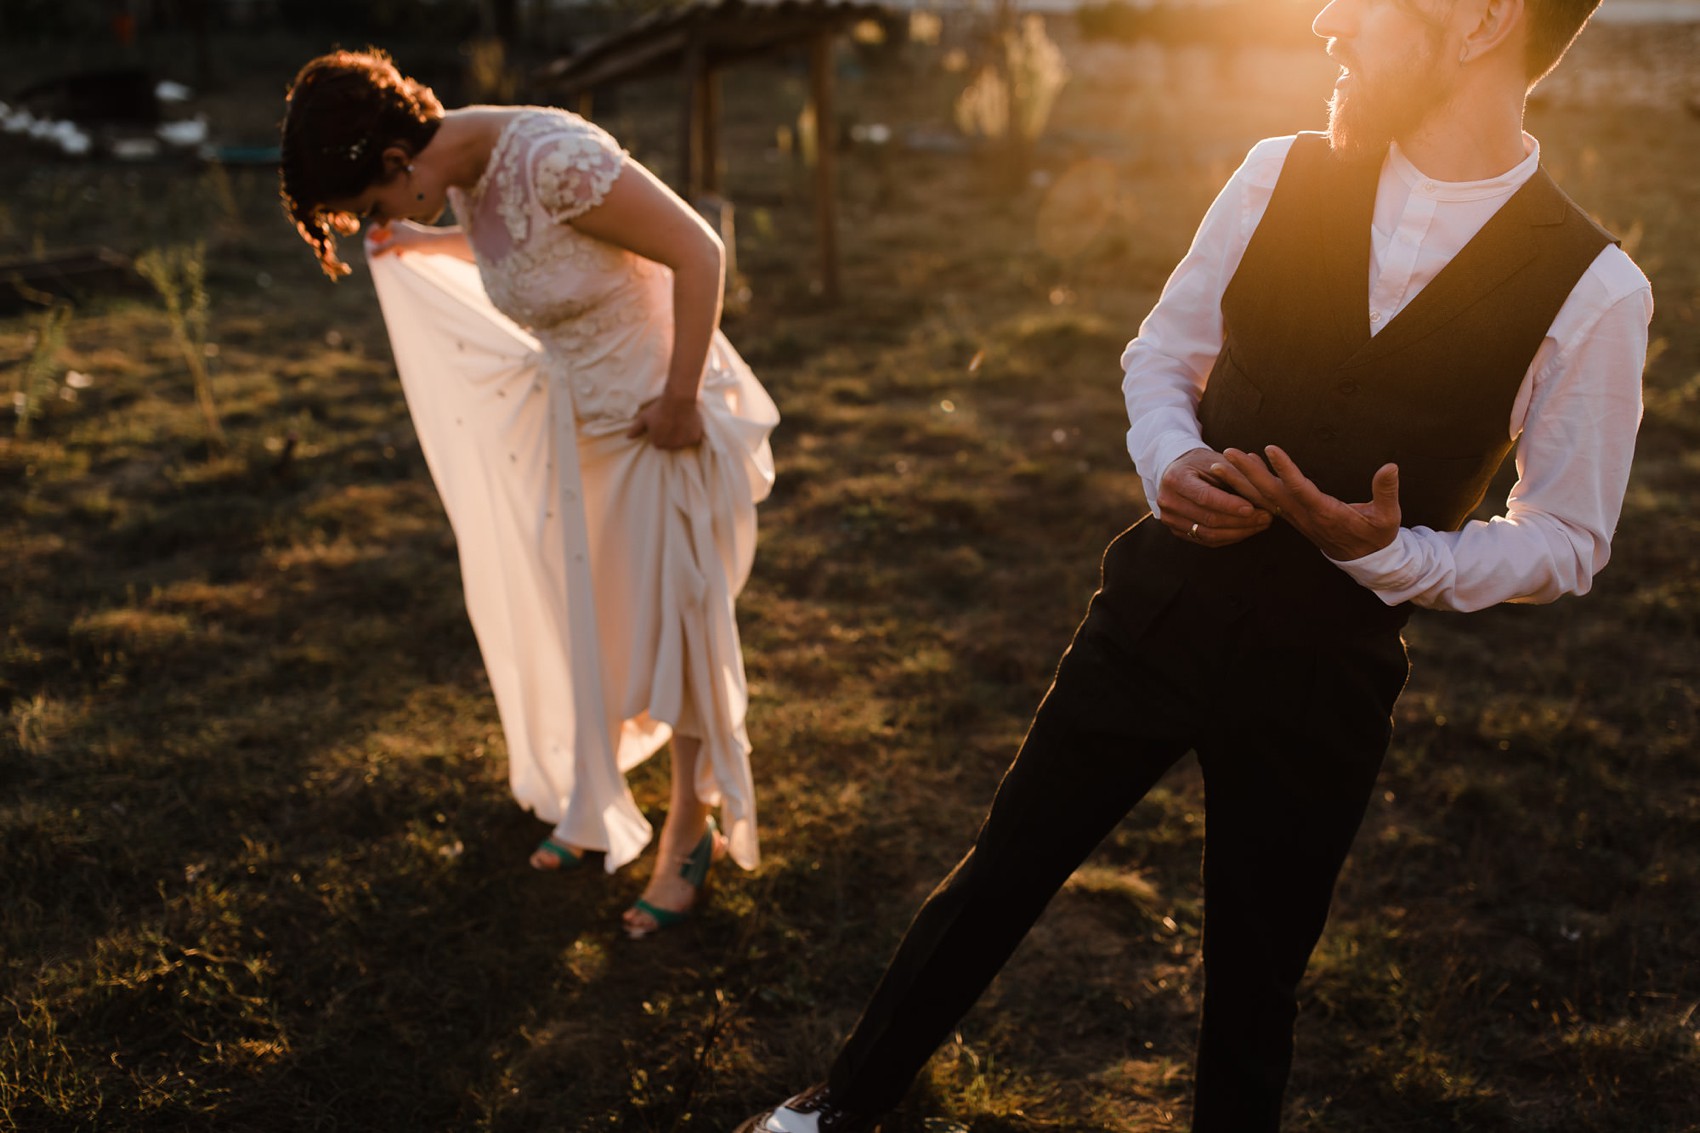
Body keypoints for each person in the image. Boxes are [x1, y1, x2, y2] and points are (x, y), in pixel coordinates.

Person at [736, 0, 1650, 1128]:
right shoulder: (1275, 171)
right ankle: (837, 1110)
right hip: (1159, 607)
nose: (1325, 20)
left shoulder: (1594, 288)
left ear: (1476, 25)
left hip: (1324, 676)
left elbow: (1567, 538)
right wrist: (1166, 460)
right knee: (1000, 872)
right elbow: (1162, 354)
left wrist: (1400, 555)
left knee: (1254, 982)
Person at [278, 49, 779, 939]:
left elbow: (699, 252)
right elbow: (519, 249)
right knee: (597, 631)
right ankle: (596, 800)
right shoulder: (463, 171)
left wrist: (676, 398)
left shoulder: (553, 157)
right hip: (578, 434)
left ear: (399, 163)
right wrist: (418, 243)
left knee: (679, 627)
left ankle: (686, 836)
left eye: (374, 208)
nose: (374, 222)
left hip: (655, 425)